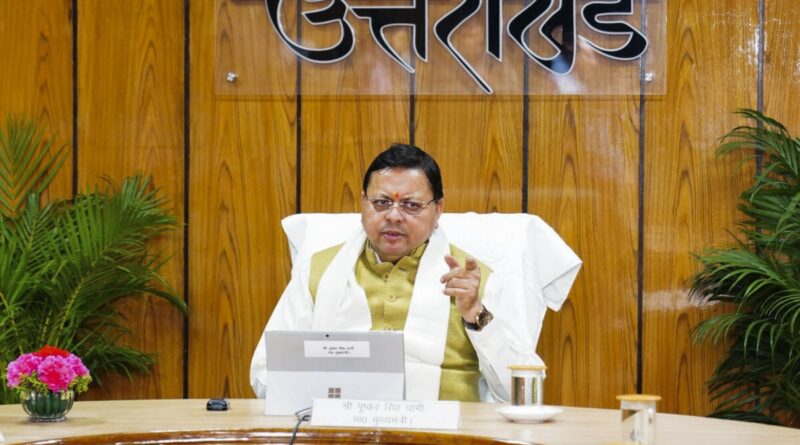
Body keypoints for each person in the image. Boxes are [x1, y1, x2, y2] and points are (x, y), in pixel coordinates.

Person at [250, 144, 542, 402]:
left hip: (449, 434)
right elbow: (266, 372)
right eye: (381, 202)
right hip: (341, 432)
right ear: (363, 203)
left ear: (438, 209)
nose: (393, 216)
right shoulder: (319, 271)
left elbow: (523, 391)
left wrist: (476, 314)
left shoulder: (472, 281)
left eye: (411, 205)